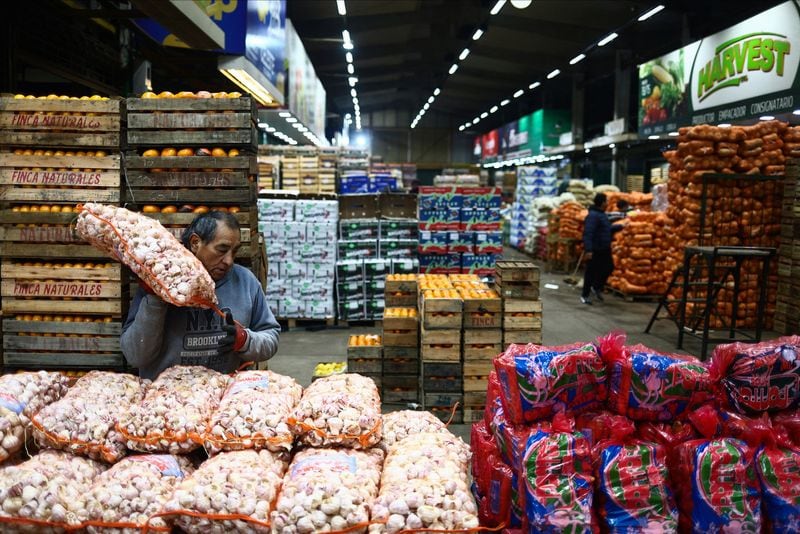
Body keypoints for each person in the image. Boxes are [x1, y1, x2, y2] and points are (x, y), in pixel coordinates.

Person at [121, 211, 281, 379]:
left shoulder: (245, 282)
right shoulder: (161, 282)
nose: (229, 261)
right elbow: (135, 355)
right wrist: (155, 298)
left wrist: (245, 340)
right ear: (196, 243)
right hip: (167, 397)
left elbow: (271, 336)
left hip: (220, 395)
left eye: (234, 252)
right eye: (222, 249)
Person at [580, 193, 623, 305]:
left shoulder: (602, 215)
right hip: (595, 248)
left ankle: (596, 286)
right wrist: (588, 250)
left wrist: (621, 226)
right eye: (606, 201)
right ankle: (585, 295)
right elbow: (588, 233)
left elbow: (607, 229)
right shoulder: (593, 216)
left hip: (604, 248)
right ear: (602, 202)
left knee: (609, 267)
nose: (607, 203)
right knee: (591, 272)